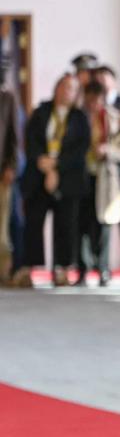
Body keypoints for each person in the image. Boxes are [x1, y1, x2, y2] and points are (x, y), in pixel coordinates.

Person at [21, 74, 91, 287]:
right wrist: (42, 161)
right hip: (38, 176)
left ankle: (62, 268)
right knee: (34, 222)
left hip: (68, 179)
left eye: (72, 88)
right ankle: (29, 268)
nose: (66, 91)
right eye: (63, 86)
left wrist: (57, 166)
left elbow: (81, 149)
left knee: (66, 224)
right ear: (56, 88)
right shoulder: (41, 112)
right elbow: (30, 140)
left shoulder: (79, 117)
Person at [75, 79, 117, 285]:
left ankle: (103, 269)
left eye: (97, 100)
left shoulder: (111, 118)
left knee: (103, 225)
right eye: (89, 100)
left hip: (103, 178)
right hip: (81, 178)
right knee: (81, 224)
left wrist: (108, 151)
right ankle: (82, 269)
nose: (93, 105)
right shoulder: (77, 119)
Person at [0, 55, 22, 282]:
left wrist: (11, 166)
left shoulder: (7, 99)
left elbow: (15, 138)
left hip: (1, 172)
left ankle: (3, 272)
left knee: (1, 229)